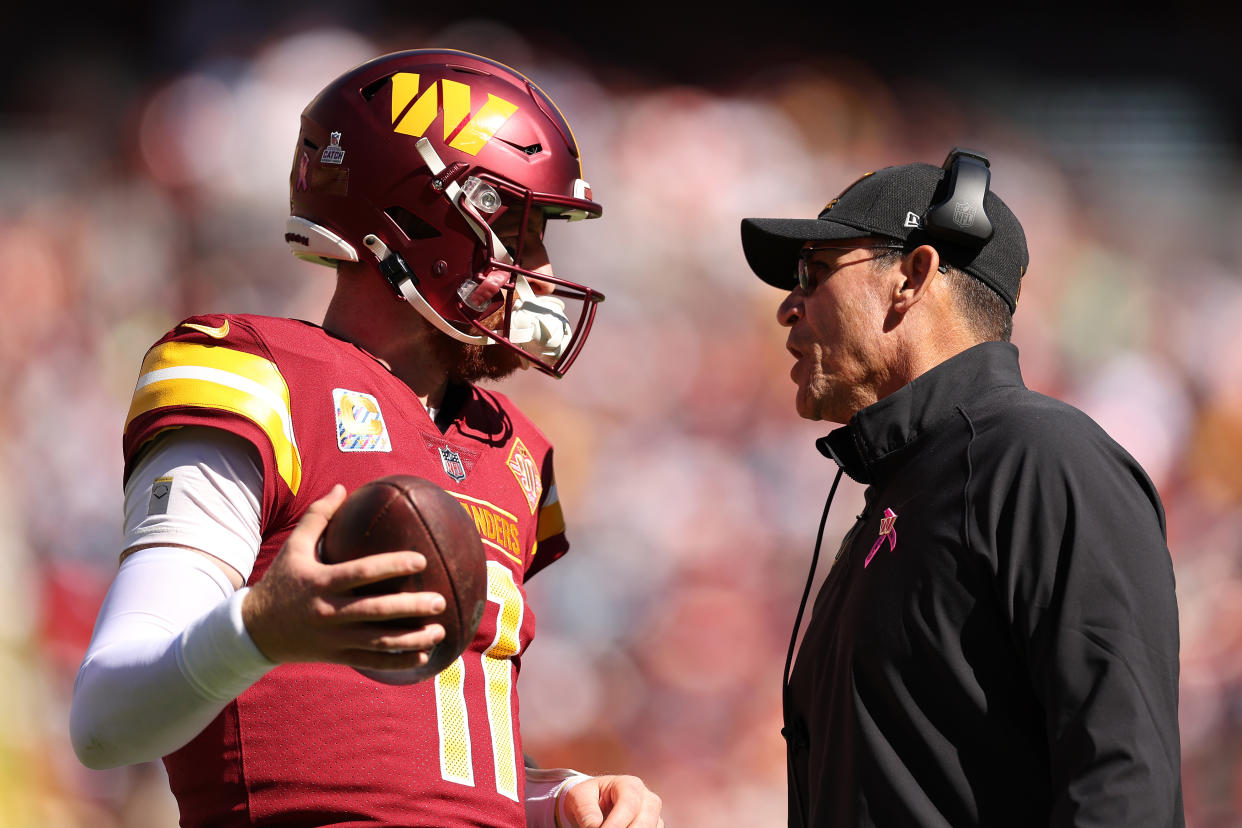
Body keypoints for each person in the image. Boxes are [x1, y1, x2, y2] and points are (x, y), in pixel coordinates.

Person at [70, 49, 663, 828]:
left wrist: (557, 798)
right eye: (520, 228)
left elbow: (422, 767)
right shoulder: (259, 375)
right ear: (418, 217)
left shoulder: (514, 450)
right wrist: (258, 629)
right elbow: (107, 718)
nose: (542, 268)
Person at [740, 149, 1183, 827]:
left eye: (813, 271)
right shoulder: (900, 490)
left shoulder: (1041, 459)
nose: (788, 308)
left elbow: (1123, 783)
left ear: (913, 277)